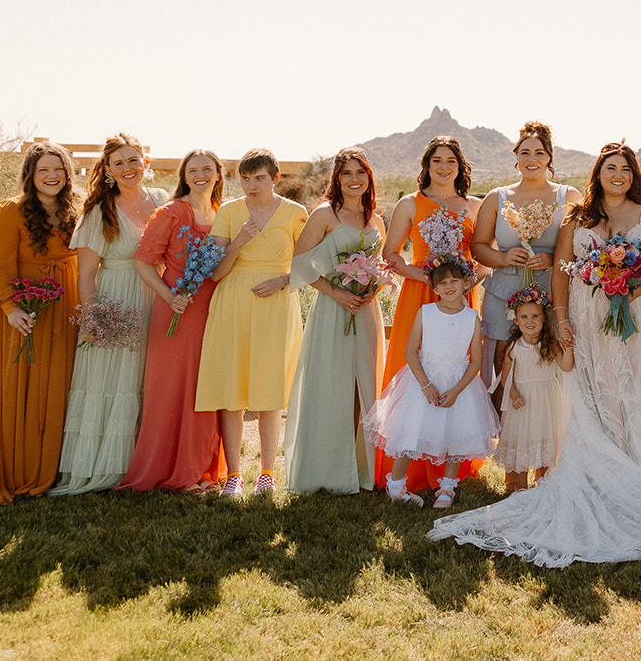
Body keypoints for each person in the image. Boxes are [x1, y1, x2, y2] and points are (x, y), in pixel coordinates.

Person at [428, 142, 641, 567]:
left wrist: (633, 288)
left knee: (638, 392)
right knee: (596, 393)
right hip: (586, 319)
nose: (617, 175)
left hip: (639, 318)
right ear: (597, 173)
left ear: (634, 175)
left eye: (624, 169)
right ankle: (598, 475)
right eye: (609, 168)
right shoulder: (577, 216)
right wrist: (561, 319)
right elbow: (562, 268)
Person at [0, 142, 82, 503]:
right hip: (24, 311)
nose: (52, 175)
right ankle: (15, 470)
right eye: (43, 169)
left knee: (59, 384)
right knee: (19, 389)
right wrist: (12, 308)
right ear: (30, 174)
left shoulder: (76, 208)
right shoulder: (11, 211)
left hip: (65, 305)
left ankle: (52, 469)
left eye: (58, 169)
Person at [52, 134, 169, 495]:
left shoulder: (163, 200)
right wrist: (91, 319)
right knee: (113, 381)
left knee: (148, 382)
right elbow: (86, 273)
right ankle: (105, 465)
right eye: (119, 163)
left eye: (134, 160)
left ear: (145, 162)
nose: (128, 168)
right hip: (116, 300)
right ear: (108, 170)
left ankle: (145, 464)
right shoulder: (98, 211)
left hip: (159, 298)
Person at [194, 148, 309, 497]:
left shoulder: (296, 213)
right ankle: (232, 475)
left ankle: (268, 473)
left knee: (269, 389)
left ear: (275, 178)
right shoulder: (228, 212)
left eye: (259, 178)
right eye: (245, 178)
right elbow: (215, 272)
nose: (251, 185)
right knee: (232, 388)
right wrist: (239, 240)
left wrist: (283, 282)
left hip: (276, 303)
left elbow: (306, 265)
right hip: (232, 301)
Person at [119, 149, 228, 493]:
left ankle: (202, 470)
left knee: (206, 388)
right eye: (193, 169)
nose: (200, 175)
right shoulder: (171, 212)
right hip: (176, 311)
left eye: (207, 169)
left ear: (217, 174)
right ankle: (176, 472)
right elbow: (143, 262)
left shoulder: (224, 214)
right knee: (174, 390)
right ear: (184, 175)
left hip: (214, 310)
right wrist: (169, 297)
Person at [379, 135, 483, 492]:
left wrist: (467, 283)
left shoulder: (474, 206)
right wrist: (423, 275)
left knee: (458, 366)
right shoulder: (410, 203)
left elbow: (484, 255)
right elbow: (390, 254)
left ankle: (451, 469)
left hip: (461, 298)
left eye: (450, 161)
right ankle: (405, 467)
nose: (443, 167)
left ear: (460, 166)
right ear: (426, 165)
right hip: (420, 292)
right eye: (436, 160)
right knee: (412, 367)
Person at [283, 147, 388, 495]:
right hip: (332, 308)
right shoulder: (325, 214)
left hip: (365, 311)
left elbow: (380, 263)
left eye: (361, 172)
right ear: (337, 179)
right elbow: (300, 266)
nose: (354, 179)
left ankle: (361, 468)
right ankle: (327, 469)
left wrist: (372, 288)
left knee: (365, 386)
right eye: (347, 173)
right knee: (332, 384)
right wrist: (336, 293)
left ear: (369, 177)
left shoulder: (376, 220)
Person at [364, 260, 498, 509]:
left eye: (454, 280)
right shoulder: (426, 312)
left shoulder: (472, 318)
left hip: (459, 384)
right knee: (410, 431)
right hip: (423, 382)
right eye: (443, 283)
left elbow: (476, 361)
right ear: (435, 288)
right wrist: (426, 385)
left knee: (457, 434)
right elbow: (411, 352)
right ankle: (396, 485)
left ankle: (447, 486)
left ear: (466, 283)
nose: (449, 286)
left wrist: (457, 391)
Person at [472, 122, 581, 387]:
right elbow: (478, 246)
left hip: (552, 292)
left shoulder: (570, 197)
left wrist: (554, 260)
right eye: (525, 153)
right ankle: (499, 426)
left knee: (550, 359)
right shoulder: (496, 197)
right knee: (501, 360)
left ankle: (546, 425)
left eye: (539, 153)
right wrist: (503, 258)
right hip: (503, 292)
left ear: (549, 157)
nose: (532, 159)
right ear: (516, 158)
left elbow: (584, 250)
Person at [495, 288, 572, 491]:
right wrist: (514, 396)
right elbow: (506, 378)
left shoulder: (549, 344)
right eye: (524, 317)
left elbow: (565, 366)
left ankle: (544, 479)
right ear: (516, 320)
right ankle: (517, 483)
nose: (530, 321)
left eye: (535, 316)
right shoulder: (514, 347)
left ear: (544, 319)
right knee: (522, 438)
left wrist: (569, 348)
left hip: (546, 399)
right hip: (523, 400)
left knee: (544, 435)